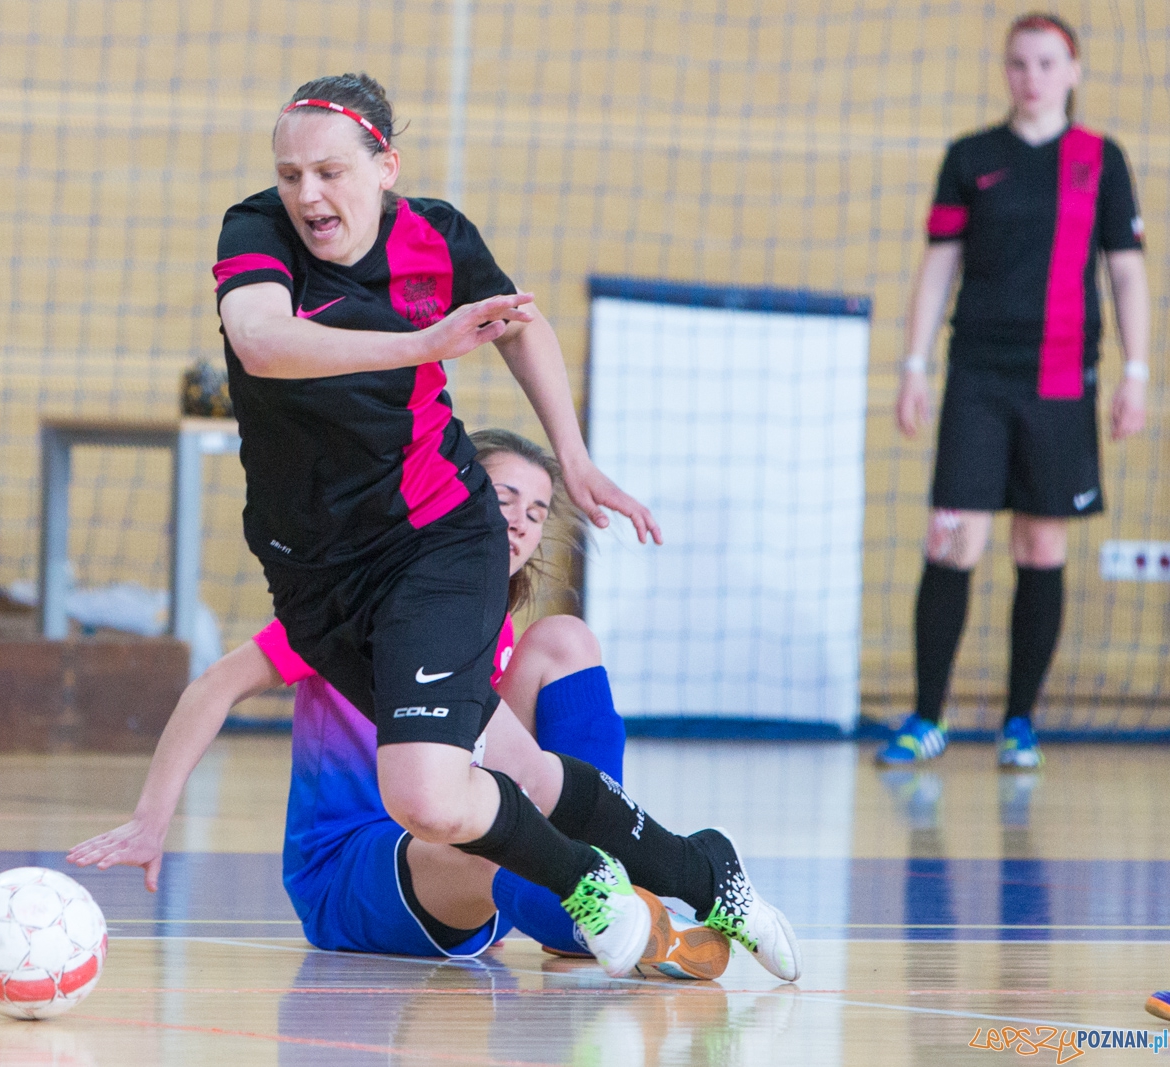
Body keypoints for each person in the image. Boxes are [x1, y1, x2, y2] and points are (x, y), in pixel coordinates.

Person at [68, 430, 782, 981]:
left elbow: (520, 763)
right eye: (503, 498)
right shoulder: (358, 612)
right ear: (455, 501)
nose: (521, 521)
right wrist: (151, 819)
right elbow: (213, 686)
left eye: (537, 512)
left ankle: (608, 881)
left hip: (467, 830)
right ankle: (584, 912)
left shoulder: (493, 630)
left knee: (564, 639)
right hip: (351, 867)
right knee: (487, 849)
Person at [879, 13, 1150, 770]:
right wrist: (913, 365)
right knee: (951, 538)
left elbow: (1127, 273)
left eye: (1047, 62)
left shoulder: (1101, 160)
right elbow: (938, 265)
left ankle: (1020, 723)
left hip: (1063, 377)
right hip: (978, 374)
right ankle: (926, 718)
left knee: (1041, 544)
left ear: (1073, 71)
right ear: (1006, 71)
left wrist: (1136, 372)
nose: (1032, 76)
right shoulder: (970, 157)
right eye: (1019, 63)